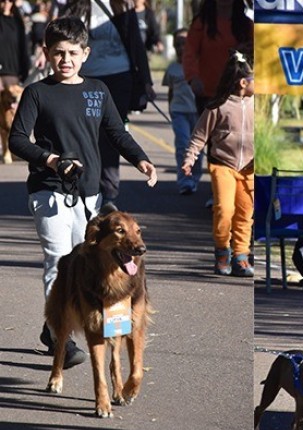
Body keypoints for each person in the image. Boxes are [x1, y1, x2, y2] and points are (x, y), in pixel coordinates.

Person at [9, 17, 157, 368]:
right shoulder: (37, 93)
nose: (66, 60)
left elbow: (116, 132)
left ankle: (69, 324)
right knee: (60, 260)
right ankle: (58, 333)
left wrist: (141, 159)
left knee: (90, 262)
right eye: (59, 53)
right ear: (46, 53)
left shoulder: (97, 91)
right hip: (48, 191)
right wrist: (51, 160)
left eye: (73, 53)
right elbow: (17, 140)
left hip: (88, 194)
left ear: (85, 54)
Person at [61, 0, 154, 208]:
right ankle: (82, 186)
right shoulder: (75, 6)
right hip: (84, 77)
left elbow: (136, 43)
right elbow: (61, 38)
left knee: (112, 134)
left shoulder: (122, 4)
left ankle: (109, 194)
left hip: (119, 77)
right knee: (82, 134)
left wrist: (146, 80)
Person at [181, 50, 253, 277]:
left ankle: (241, 255)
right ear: (243, 83)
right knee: (224, 209)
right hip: (223, 165)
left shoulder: (257, 106)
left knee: (245, 213)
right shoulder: (218, 107)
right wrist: (190, 159)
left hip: (249, 169)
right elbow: (199, 137)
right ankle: (223, 252)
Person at [163, 28, 201, 195]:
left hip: (197, 112)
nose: (181, 48)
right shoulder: (172, 69)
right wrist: (170, 110)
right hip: (179, 112)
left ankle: (195, 178)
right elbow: (170, 91)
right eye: (177, 44)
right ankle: (185, 181)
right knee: (183, 145)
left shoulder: (199, 65)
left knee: (197, 148)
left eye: (184, 44)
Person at [0, 0, 31, 87]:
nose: (6, 3)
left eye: (10, 0)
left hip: (12, 73)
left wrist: (25, 71)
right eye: (3, 0)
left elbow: (24, 48)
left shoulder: (17, 22)